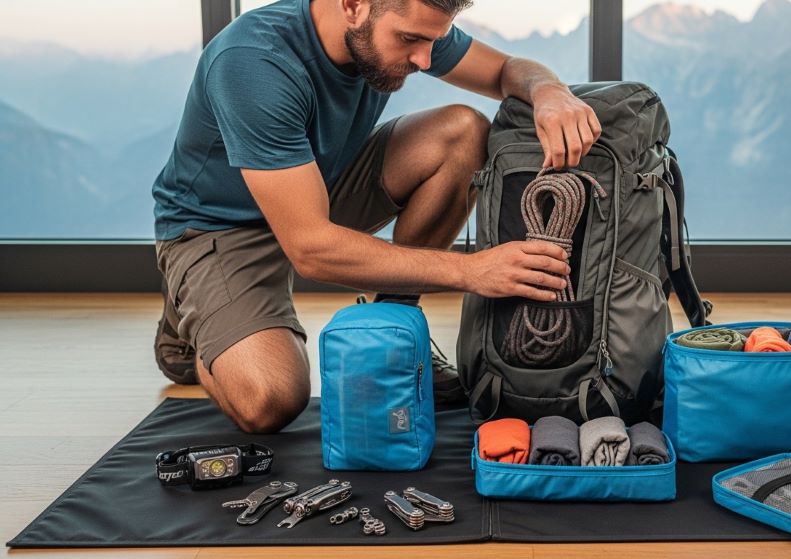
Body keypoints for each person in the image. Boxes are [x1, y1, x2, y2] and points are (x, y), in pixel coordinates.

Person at [151, 0, 602, 433]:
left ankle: (393, 331)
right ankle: (193, 328)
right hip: (220, 229)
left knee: (464, 134)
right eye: (409, 40)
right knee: (270, 402)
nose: (425, 60)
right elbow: (310, 250)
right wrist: (473, 271)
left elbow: (506, 70)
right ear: (352, 5)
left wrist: (549, 91)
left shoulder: (405, 19)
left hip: (319, 188)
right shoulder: (253, 62)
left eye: (432, 41)